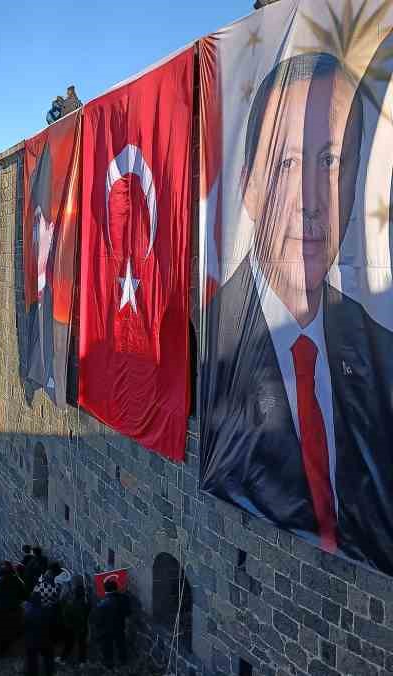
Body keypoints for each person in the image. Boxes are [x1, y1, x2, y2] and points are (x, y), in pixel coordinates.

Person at [202, 50, 393, 573]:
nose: (310, 200)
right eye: (285, 164)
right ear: (249, 187)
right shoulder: (207, 342)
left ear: (354, 183)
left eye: (330, 162)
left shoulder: (383, 352)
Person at [94, 578, 133, 669]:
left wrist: (98, 631)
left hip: (106, 630)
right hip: (120, 627)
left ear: (106, 590)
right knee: (121, 645)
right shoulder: (124, 598)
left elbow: (98, 621)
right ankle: (123, 663)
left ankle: (109, 665)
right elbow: (128, 612)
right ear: (116, 587)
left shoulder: (102, 604)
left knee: (108, 648)